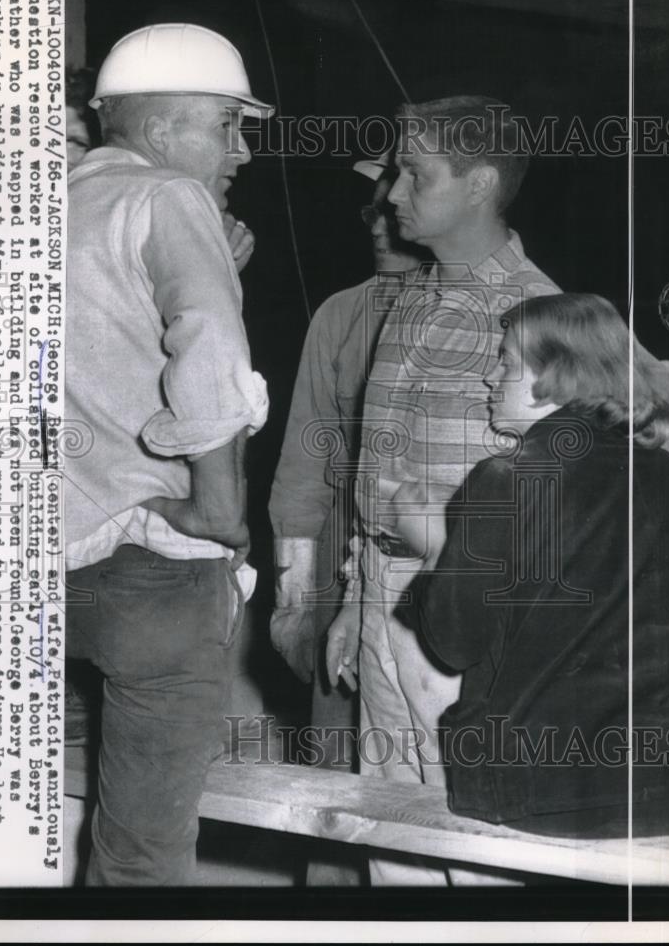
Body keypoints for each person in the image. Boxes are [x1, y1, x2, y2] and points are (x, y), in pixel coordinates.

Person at [326, 95, 560, 884]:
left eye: (414, 173)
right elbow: (374, 477)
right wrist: (358, 596)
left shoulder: (540, 316)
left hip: (470, 611)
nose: (392, 193)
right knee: (389, 833)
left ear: (479, 183)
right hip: (383, 599)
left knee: (479, 838)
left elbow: (565, 505)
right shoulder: (410, 303)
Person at [64, 23, 273, 885]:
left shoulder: (41, 205)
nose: (244, 152)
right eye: (228, 126)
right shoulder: (168, 199)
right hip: (152, 566)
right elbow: (210, 354)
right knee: (141, 855)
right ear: (158, 131)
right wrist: (217, 513)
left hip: (31, 564)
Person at [415, 293, 669, 839]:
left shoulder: (506, 479)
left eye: (505, 361)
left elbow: (454, 644)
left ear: (555, 373)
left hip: (537, 784)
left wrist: (434, 547)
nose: (490, 378)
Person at [268, 154, 423, 884]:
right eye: (371, 212)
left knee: (426, 781)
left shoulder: (493, 304)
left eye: (395, 209)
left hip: (433, 563)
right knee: (335, 773)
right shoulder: (340, 313)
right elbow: (302, 469)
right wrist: (295, 601)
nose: (380, 226)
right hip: (340, 558)